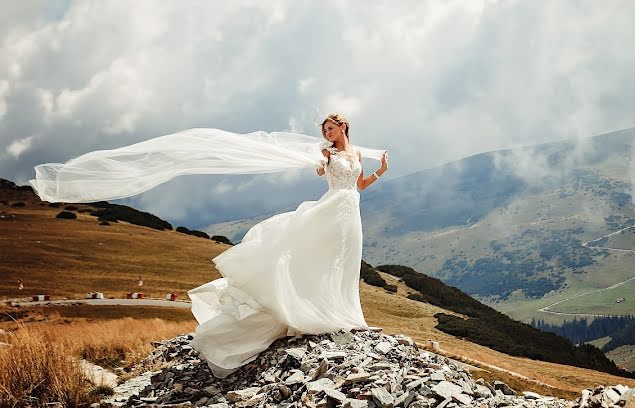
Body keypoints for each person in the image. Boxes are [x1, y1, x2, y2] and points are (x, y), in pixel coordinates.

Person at [29, 114, 388, 377]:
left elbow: (357, 186)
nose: (326, 133)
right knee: (319, 257)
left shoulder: (355, 154)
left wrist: (380, 172)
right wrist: (322, 160)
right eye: (323, 130)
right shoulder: (326, 154)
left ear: (344, 127)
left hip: (349, 210)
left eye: (330, 128)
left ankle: (345, 313)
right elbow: (322, 174)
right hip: (330, 209)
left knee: (345, 261)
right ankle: (320, 311)